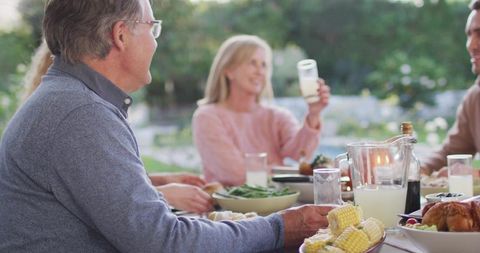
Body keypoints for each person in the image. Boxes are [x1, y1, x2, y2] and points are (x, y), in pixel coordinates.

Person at [0, 0, 333, 252]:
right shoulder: (81, 113)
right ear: (120, 35)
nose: (156, 42)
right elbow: (164, 241)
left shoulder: (70, 100)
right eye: (152, 28)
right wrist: (278, 228)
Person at [21, 40, 213, 214]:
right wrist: (164, 194)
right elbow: (107, 205)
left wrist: (155, 181)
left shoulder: (59, 107)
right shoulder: (78, 114)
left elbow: (99, 184)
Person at [193, 35, 330, 186]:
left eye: (264, 65)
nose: (260, 71)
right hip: (228, 207)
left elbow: (301, 155)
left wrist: (314, 114)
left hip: (276, 202)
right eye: (252, 63)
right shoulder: (207, 117)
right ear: (229, 71)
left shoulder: (277, 116)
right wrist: (286, 171)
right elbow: (235, 174)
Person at [421, 0, 480, 177]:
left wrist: (475, 175)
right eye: (469, 35)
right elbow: (450, 152)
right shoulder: (475, 98)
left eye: (479, 34)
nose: (471, 45)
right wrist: (417, 170)